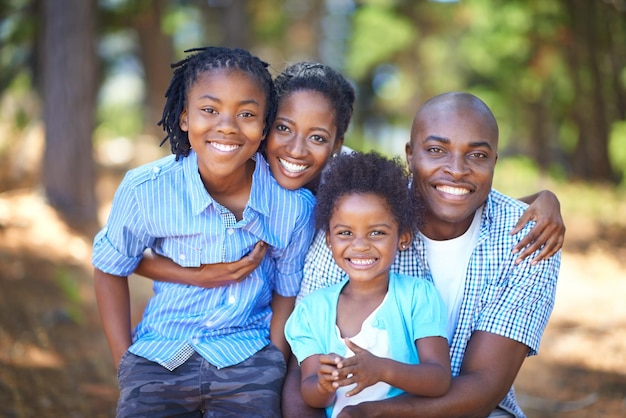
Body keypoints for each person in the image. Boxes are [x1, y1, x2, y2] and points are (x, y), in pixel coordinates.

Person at [294, 92, 561, 418]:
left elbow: (484, 388)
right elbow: (303, 373)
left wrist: (372, 414)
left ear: (494, 162)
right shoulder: (354, 220)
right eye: (436, 150)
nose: (457, 170)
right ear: (410, 155)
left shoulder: (529, 239)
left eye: (477, 155)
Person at [92, 46, 316, 417]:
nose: (227, 125)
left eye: (246, 114)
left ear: (263, 127)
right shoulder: (146, 190)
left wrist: (274, 361)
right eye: (209, 110)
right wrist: (124, 361)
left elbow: (286, 291)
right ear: (184, 117)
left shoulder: (292, 207)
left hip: (247, 353)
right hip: (162, 351)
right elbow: (110, 266)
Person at [285, 151, 451, 418]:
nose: (360, 245)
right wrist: (324, 384)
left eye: (377, 232)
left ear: (403, 238)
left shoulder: (418, 297)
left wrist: (382, 370)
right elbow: (310, 393)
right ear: (329, 239)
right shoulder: (312, 311)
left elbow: (439, 379)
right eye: (345, 233)